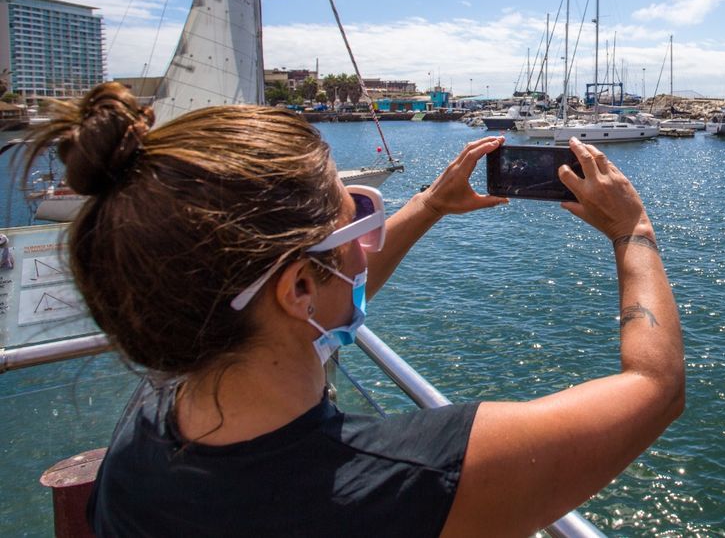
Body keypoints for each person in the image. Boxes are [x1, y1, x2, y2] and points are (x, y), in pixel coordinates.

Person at [25, 82, 684, 537]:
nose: (371, 241)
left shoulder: (143, 437)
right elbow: (654, 388)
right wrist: (635, 231)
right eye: (362, 220)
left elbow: (299, 309)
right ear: (297, 293)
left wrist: (428, 205)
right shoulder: (410, 485)